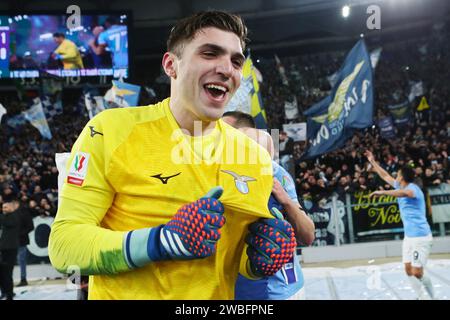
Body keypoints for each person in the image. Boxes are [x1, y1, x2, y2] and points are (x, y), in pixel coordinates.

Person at [49, 11, 297, 300]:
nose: (227, 68)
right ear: (171, 65)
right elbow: (65, 247)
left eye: (236, 61)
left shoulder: (254, 156)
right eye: (210, 53)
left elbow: (230, 257)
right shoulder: (110, 131)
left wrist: (256, 261)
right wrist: (160, 241)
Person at [222, 111, 315, 300]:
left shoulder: (276, 176)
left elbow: (308, 235)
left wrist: (286, 201)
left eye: (224, 131)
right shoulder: (217, 173)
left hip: (280, 291)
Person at [365, 150, 435, 300]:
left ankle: (431, 297)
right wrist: (372, 161)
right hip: (409, 237)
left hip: (421, 237)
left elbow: (405, 194)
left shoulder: (413, 189)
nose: (395, 176)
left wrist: (382, 193)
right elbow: (384, 175)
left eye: (397, 174)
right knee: (408, 270)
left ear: (402, 177)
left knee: (417, 272)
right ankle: (421, 297)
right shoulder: (399, 185)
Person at [0, 198, 20, 300]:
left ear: (12, 208)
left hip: (10, 249)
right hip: (3, 248)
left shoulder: (14, 217)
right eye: (3, 207)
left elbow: (8, 222)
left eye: (6, 207)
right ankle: (5, 291)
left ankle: (9, 293)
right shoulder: (5, 217)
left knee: (7, 272)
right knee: (3, 272)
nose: (4, 209)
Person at [16, 202, 35, 287]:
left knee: (21, 260)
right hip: (9, 242)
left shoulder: (24, 212)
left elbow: (31, 226)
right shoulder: (9, 213)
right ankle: (8, 281)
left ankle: (23, 279)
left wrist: (20, 233)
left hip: (21, 240)